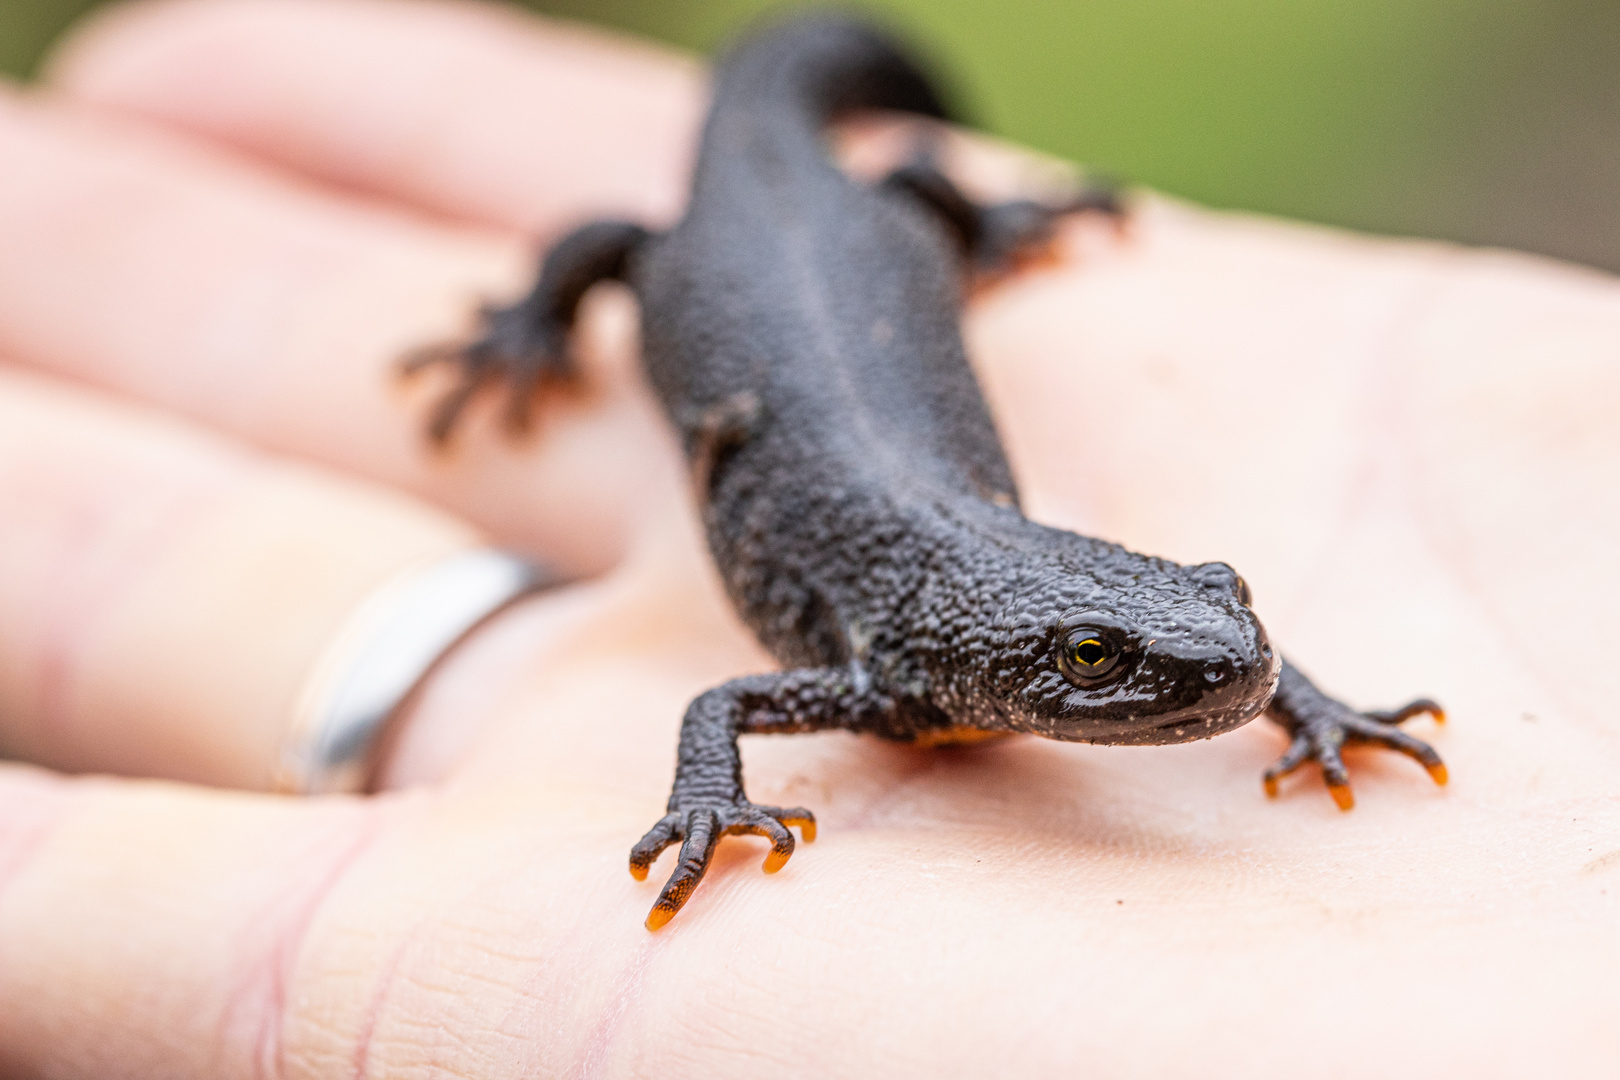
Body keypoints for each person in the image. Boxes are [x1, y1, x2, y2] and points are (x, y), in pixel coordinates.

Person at [1, 0, 1616, 1075]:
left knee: (927, 237)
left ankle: (959, 214)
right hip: (751, 251)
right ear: (1009, 669)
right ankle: (875, 228)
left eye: (1206, 638)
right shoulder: (904, 669)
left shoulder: (1076, 623)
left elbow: (1194, 636)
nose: (1212, 670)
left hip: (852, 247)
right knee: (649, 238)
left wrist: (1302, 700)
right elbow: (721, 712)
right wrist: (536, 321)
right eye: (1108, 669)